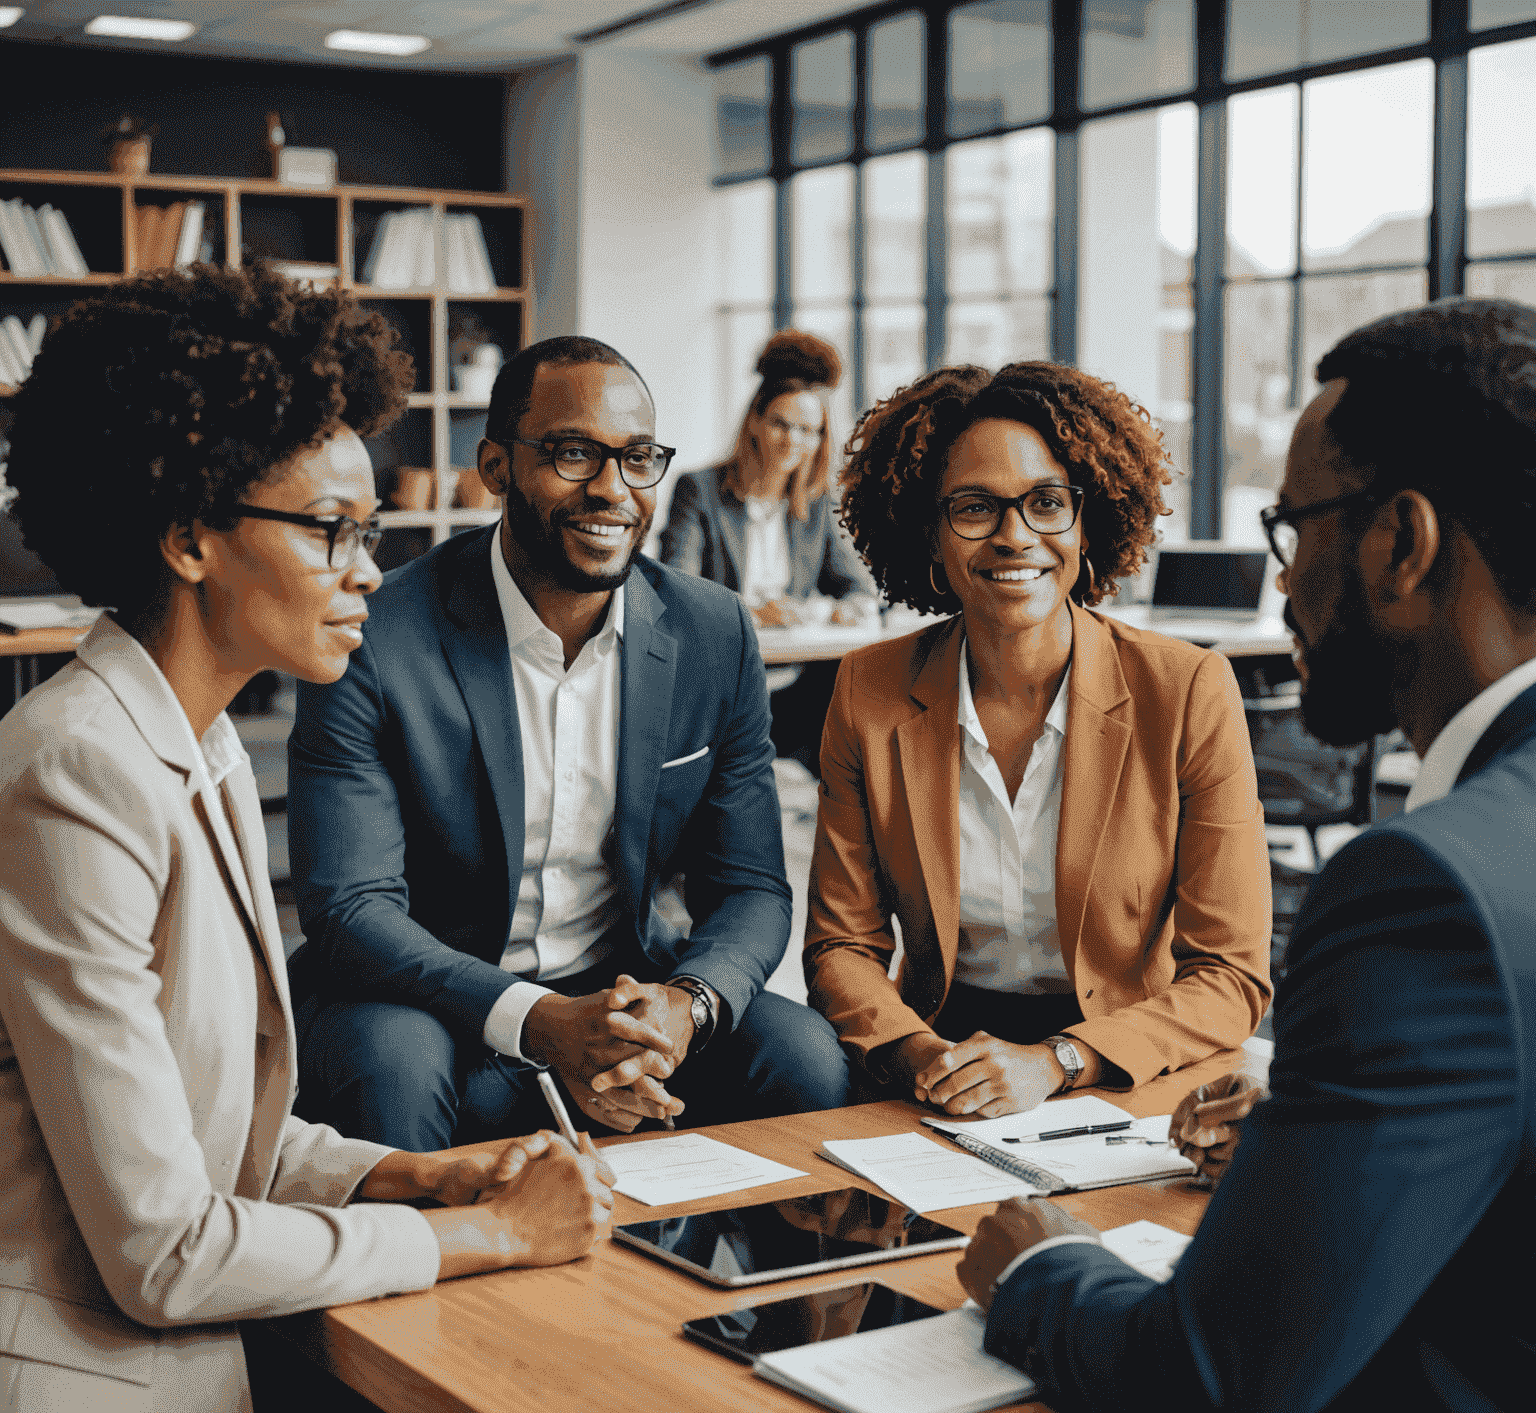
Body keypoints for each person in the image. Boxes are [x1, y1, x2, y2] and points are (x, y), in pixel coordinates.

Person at [0, 265, 615, 1413]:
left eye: (371, 533)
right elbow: (164, 1246)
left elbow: (218, 1129)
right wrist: (491, 1239)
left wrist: (418, 1177)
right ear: (188, 537)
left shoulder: (201, 745)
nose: (367, 572)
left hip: (173, 1383)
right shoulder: (74, 773)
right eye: (330, 530)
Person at [959, 297, 1536, 1413]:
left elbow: (1205, 1397)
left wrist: (1040, 1268)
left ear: (1401, 544)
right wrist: (1315, 1097)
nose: (1284, 582)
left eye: (1295, 529)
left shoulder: (1423, 890)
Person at [287, 334, 850, 1153]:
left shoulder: (711, 631)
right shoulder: (378, 637)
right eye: (574, 454)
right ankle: (433, 1277)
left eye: (637, 458)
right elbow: (349, 908)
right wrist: (541, 1023)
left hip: (625, 985)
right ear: (496, 466)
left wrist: (683, 1006)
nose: (612, 491)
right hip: (431, 998)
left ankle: (748, 1283)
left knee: (805, 1058)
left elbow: (754, 888)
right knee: (394, 1067)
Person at [804, 360, 1271, 1116]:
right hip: (940, 1061)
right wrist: (928, 1058)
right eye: (975, 508)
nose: (1014, 537)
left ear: (1089, 524)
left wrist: (1059, 1061)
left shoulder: (1186, 691)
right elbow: (841, 948)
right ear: (930, 530)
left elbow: (1230, 974)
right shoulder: (869, 690)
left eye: (1047, 503)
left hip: (1127, 1056)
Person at [660, 330, 877, 774]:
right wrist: (756, 614)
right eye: (781, 423)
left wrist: (835, 610)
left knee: (859, 699)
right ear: (755, 420)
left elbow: (860, 590)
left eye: (808, 430)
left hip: (798, 679)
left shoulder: (817, 505)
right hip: (725, 678)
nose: (792, 440)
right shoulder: (699, 491)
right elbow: (676, 592)